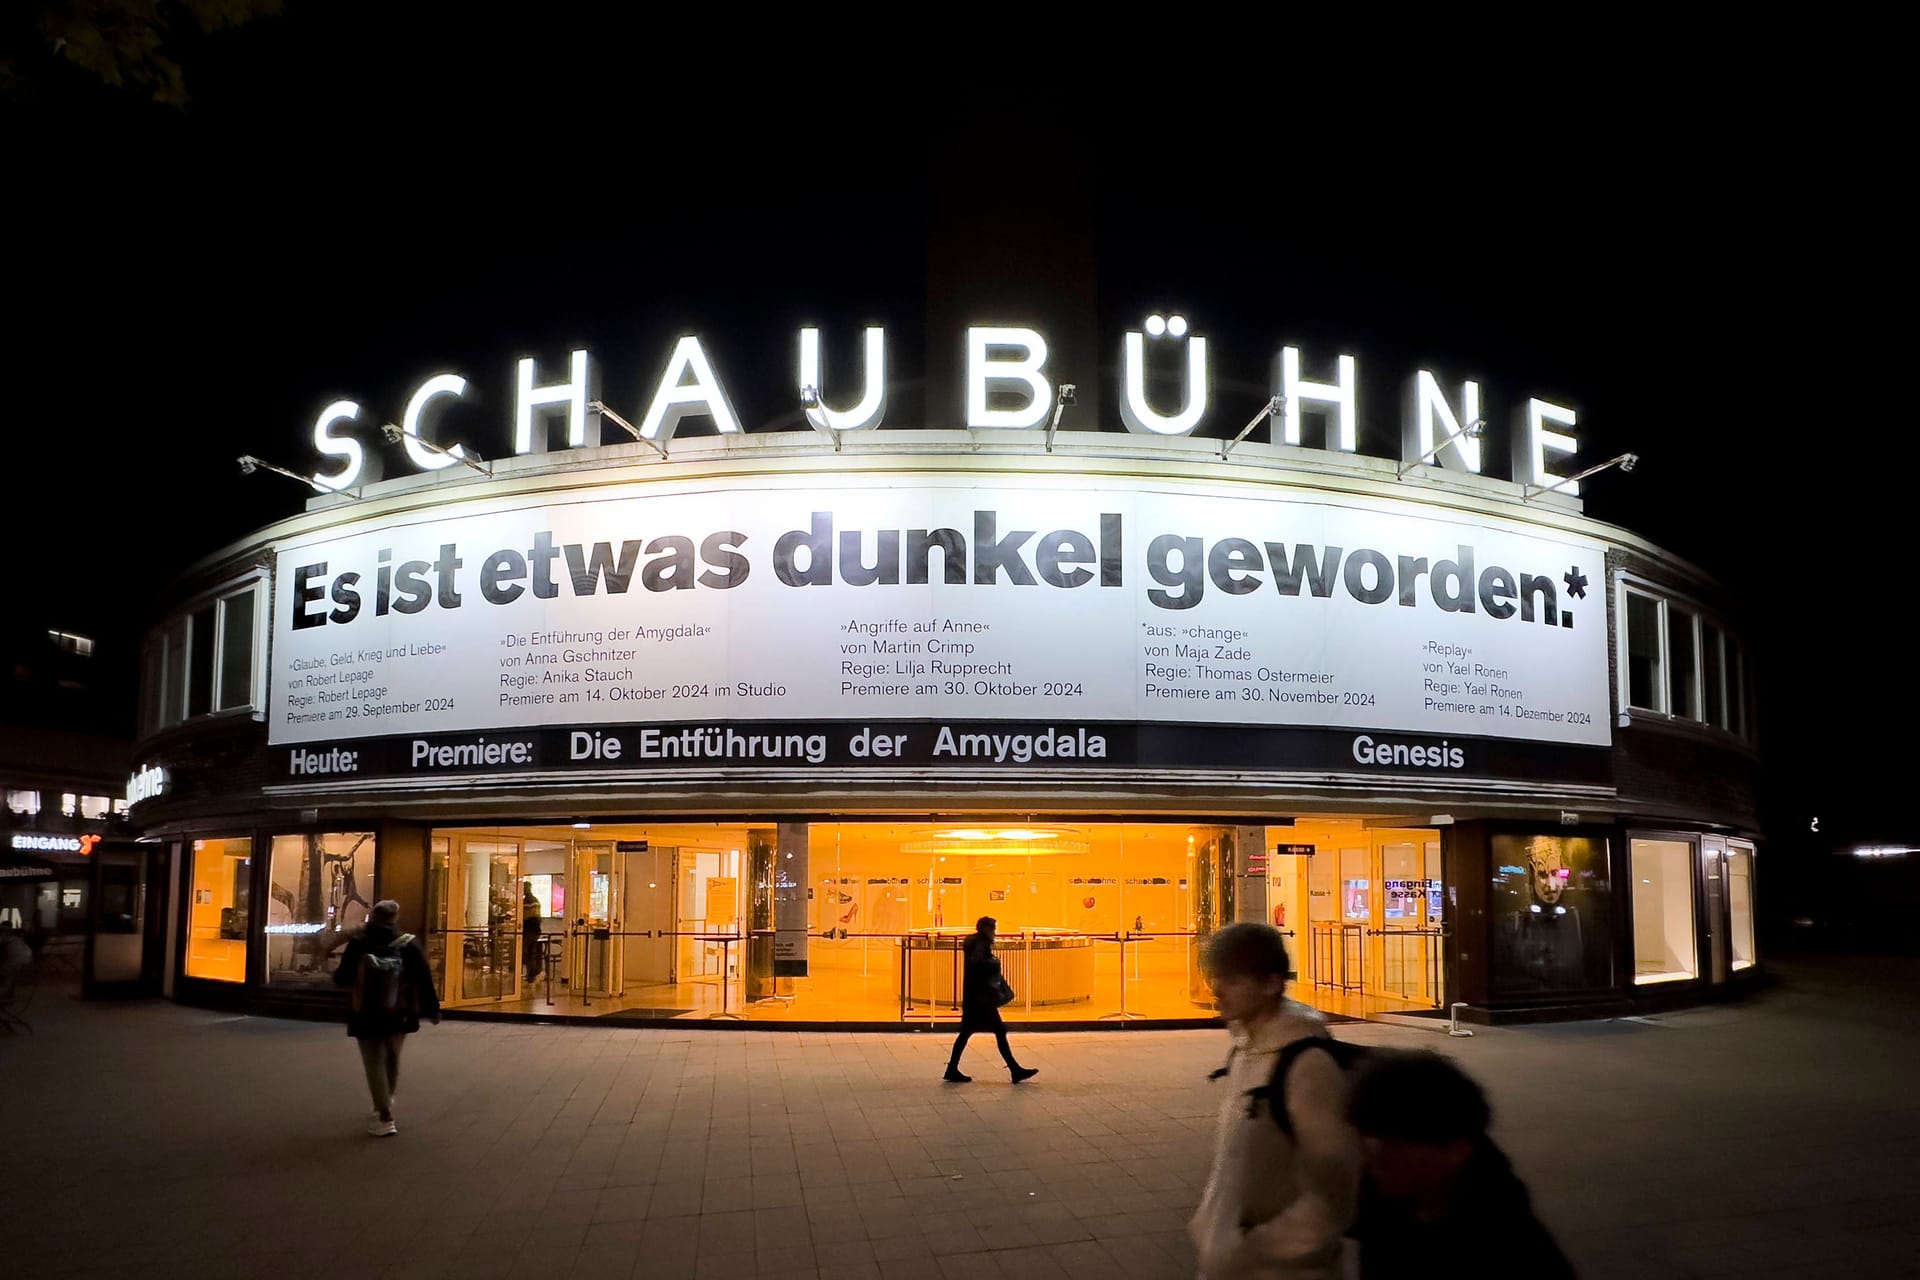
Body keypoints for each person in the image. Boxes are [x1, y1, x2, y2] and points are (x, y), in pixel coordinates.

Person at [1189, 922, 1360, 1280]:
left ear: (1271, 984)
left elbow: (1335, 1193)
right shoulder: (1246, 1047)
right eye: (1217, 976)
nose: (1217, 989)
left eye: (1233, 979)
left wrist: (1253, 1252)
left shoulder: (1307, 1064)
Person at [1344, 1050, 1574, 1279]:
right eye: (1371, 1144)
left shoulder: (1513, 1250)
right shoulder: (1384, 1205)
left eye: (1396, 1147)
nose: (1376, 1161)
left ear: (1456, 1150)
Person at [333, 899, 440, 1136]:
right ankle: (386, 1101)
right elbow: (423, 978)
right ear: (394, 919)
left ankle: (384, 1115)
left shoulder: (359, 943)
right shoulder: (408, 944)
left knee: (374, 1062)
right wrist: (432, 1009)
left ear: (372, 917)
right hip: (398, 1012)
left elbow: (342, 978)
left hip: (366, 1012)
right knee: (392, 1058)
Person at [943, 916, 1038, 1084]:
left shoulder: (973, 942)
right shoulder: (981, 943)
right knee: (999, 1031)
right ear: (986, 929)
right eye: (993, 928)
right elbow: (978, 963)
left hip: (973, 997)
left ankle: (952, 1069)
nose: (994, 932)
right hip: (982, 999)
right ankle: (1015, 1070)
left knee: (966, 1033)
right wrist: (994, 964)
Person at [522, 882, 544, 986]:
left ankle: (533, 972)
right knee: (532, 953)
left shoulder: (526, 901)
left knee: (525, 954)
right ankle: (532, 975)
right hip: (536, 930)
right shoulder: (535, 900)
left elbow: (525, 917)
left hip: (528, 931)